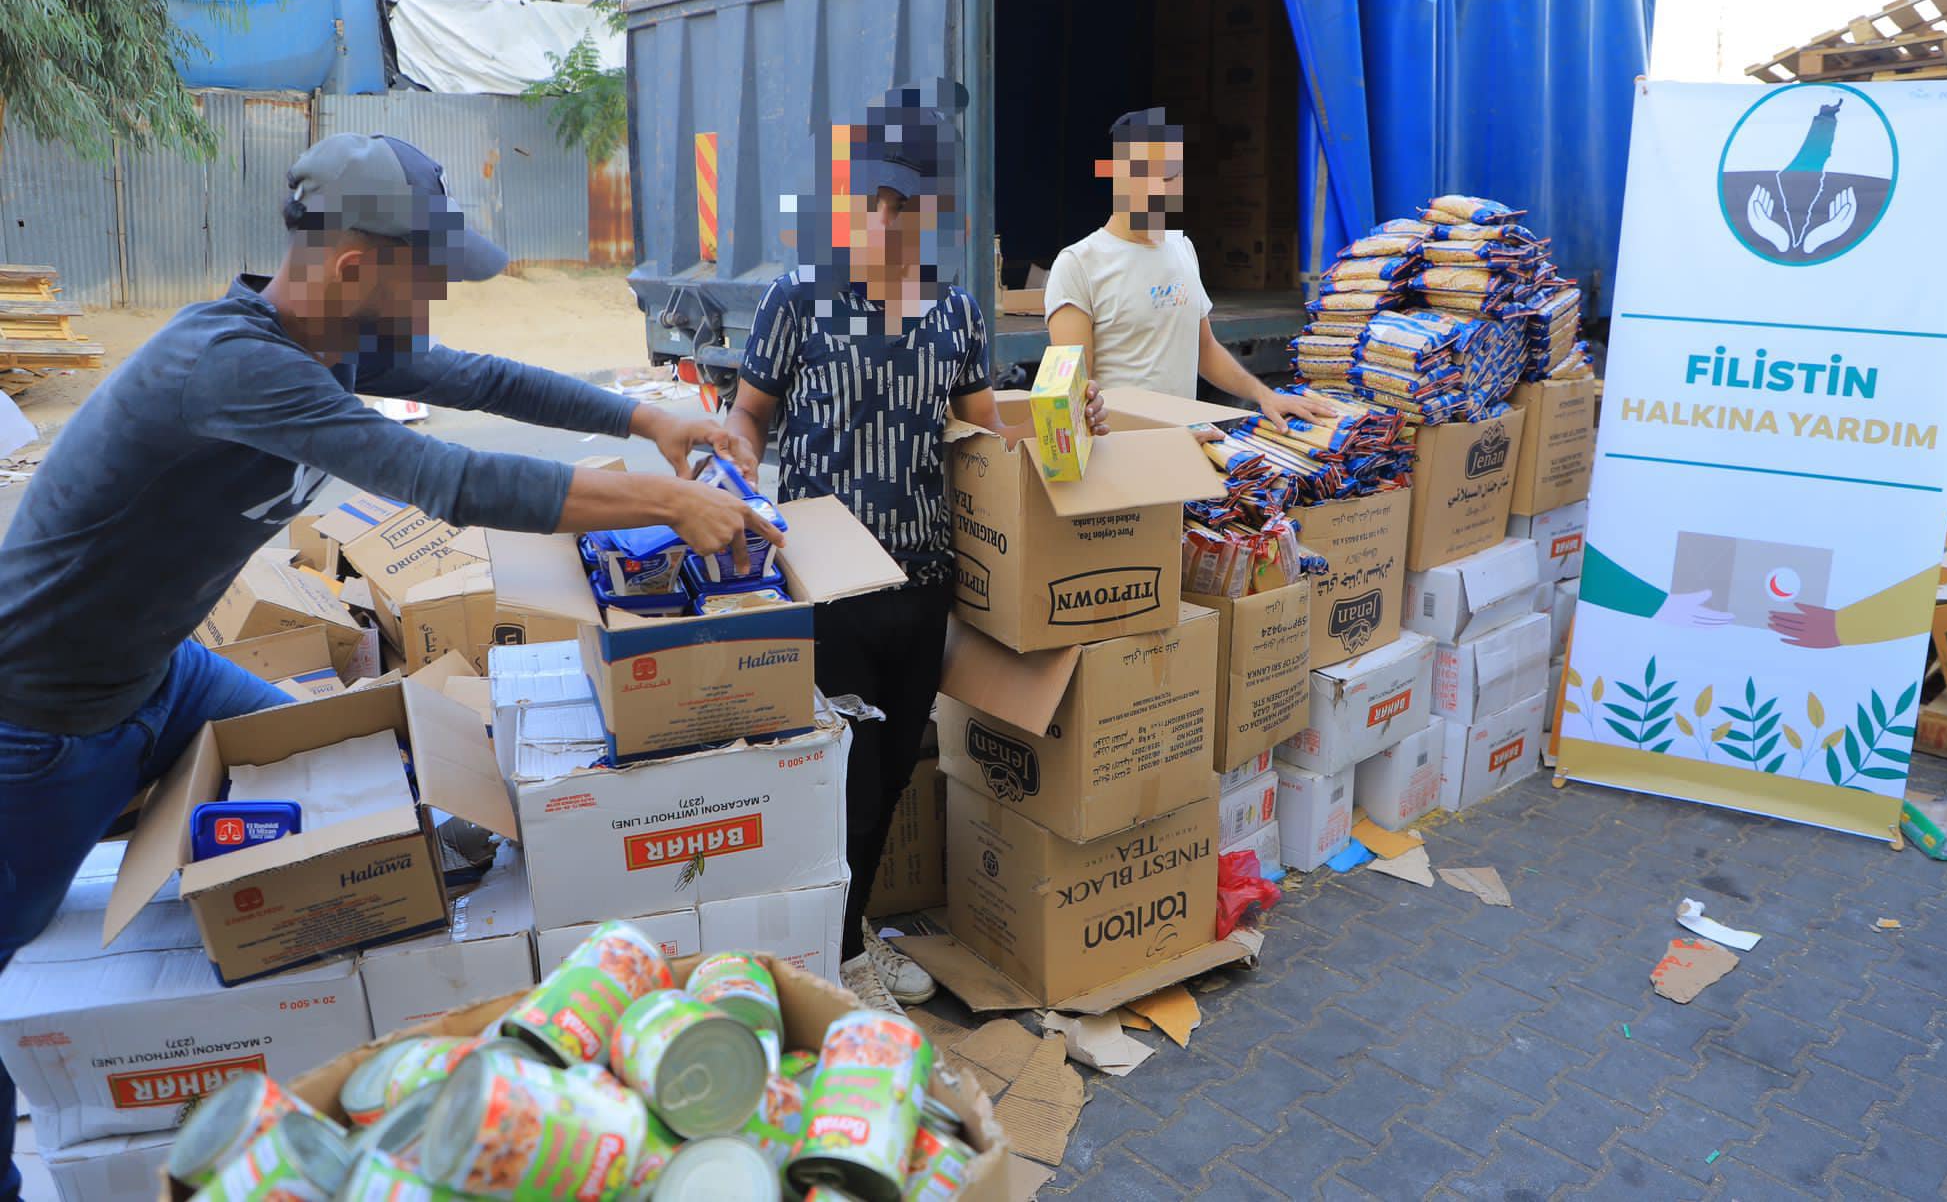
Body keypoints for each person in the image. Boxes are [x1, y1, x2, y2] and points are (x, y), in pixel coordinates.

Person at [0, 132, 778, 1197]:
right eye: (431, 277)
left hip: (158, 673)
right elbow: (444, 476)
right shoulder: (229, 365)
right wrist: (667, 499)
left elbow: (487, 380)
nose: (440, 304)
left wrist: (648, 417)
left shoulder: (333, 339)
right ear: (355, 266)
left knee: (349, 779)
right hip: (37, 720)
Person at [726, 83, 1107, 1007]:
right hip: (824, 588)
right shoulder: (798, 297)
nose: (889, 220)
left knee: (895, 765)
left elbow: (991, 438)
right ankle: (836, 960)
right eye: (876, 200)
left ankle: (848, 936)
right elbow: (747, 417)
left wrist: (1072, 418)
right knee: (837, 778)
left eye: (909, 204)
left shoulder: (954, 312)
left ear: (934, 211)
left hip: (922, 580)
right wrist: (733, 483)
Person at [1046, 107, 1333, 425]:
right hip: (1121, 457)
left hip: (1183, 448)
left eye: (1171, 176)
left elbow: (1204, 349)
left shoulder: (1182, 249)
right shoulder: (1078, 265)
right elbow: (1072, 397)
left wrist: (1266, 396)